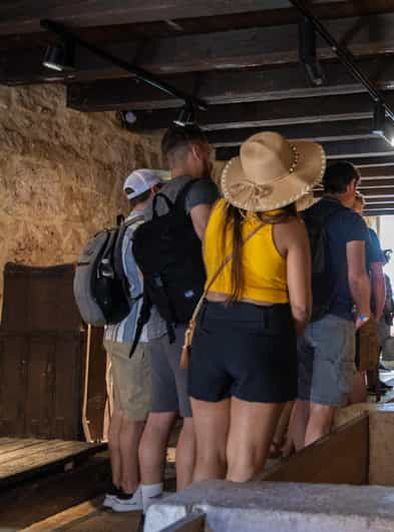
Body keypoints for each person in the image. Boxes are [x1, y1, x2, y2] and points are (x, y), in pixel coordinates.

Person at [189, 132, 317, 482]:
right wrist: (282, 340)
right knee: (244, 462)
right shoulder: (289, 227)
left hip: (211, 329)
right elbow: (301, 308)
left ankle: (199, 514)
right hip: (263, 331)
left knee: (209, 455)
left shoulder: (218, 212)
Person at [138, 125, 219, 508]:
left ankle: (151, 505)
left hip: (160, 320)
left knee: (159, 417)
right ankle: (184, 511)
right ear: (197, 151)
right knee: (194, 422)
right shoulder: (199, 191)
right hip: (191, 323)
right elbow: (211, 245)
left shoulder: (155, 202)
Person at [290, 161, 371, 449]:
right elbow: (357, 275)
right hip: (334, 319)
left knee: (301, 402)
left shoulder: (300, 217)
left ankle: (297, 469)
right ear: (351, 186)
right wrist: (364, 311)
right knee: (323, 410)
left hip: (299, 318)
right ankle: (313, 474)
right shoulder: (351, 221)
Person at [103, 169, 165, 512]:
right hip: (137, 336)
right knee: (137, 416)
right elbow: (146, 283)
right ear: (154, 192)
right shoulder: (142, 231)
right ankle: (130, 490)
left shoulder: (120, 230)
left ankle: (118, 483)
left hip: (116, 332)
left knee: (123, 412)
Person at [351, 192, 388, 400]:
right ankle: (357, 414)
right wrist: (377, 312)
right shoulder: (368, 234)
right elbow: (378, 276)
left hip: (333, 308)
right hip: (362, 308)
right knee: (359, 367)